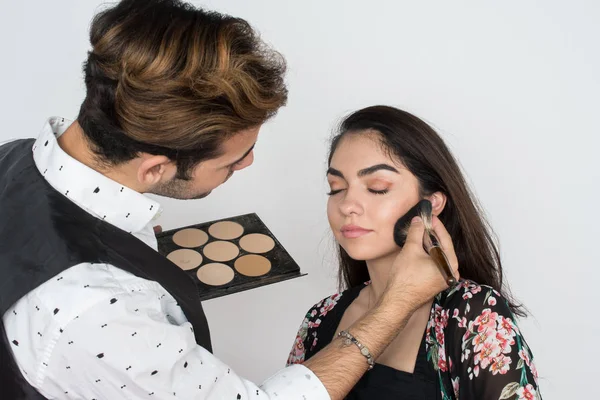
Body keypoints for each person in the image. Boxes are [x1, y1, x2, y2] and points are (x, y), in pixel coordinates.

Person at [0, 2, 459, 399]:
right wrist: (394, 307)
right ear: (155, 168)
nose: (249, 164)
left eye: (376, 188)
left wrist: (129, 249)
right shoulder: (94, 308)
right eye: (230, 162)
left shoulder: (12, 160)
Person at [287, 105, 540, 399]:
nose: (347, 205)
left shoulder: (473, 315)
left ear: (430, 205)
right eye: (336, 187)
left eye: (377, 187)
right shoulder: (320, 318)